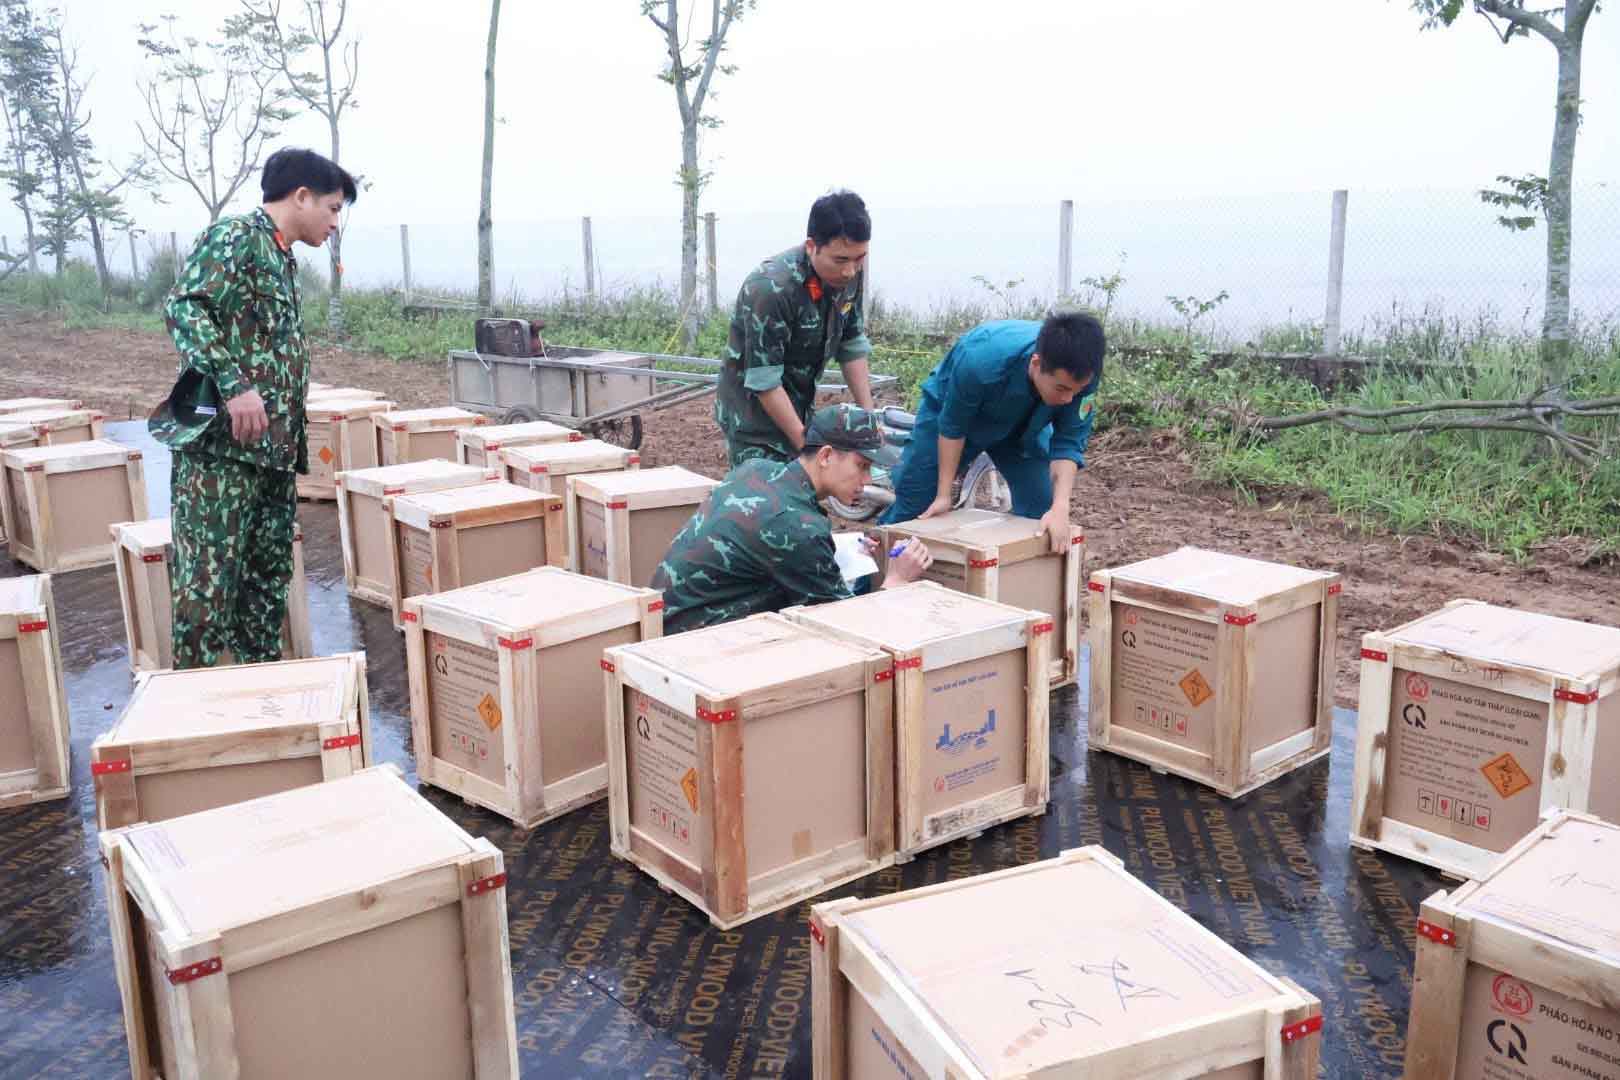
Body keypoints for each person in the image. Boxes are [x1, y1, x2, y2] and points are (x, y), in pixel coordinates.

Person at [152, 147, 358, 668]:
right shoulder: (238, 236)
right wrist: (234, 384)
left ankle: (259, 691)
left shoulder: (280, 256)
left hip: (272, 456)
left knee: (266, 587)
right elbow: (184, 308)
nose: (335, 222)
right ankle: (195, 702)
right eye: (333, 208)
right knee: (208, 589)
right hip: (221, 457)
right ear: (302, 196)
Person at [652, 405, 932, 634]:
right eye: (862, 466)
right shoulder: (799, 527)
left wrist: (838, 549)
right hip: (692, 640)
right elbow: (846, 623)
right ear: (826, 456)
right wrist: (897, 580)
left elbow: (771, 540)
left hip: (666, 620)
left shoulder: (757, 468)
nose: (868, 480)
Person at [880, 313, 1104, 553]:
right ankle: (874, 571)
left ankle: (1021, 575)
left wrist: (1060, 508)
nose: (1068, 399)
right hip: (952, 416)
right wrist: (943, 495)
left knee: (1042, 507)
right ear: (1036, 363)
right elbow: (953, 426)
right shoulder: (982, 361)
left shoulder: (1083, 373)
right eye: (1061, 388)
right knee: (916, 505)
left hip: (1024, 426)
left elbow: (1068, 443)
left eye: (1075, 391)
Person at [714, 190, 876, 468]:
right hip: (753, 423)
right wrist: (808, 450)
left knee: (805, 485)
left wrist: (869, 421)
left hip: (800, 405)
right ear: (812, 246)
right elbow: (765, 382)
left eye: (859, 258)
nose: (850, 271)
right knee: (767, 491)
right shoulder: (771, 288)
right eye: (840, 260)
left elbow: (850, 345)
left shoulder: (847, 275)